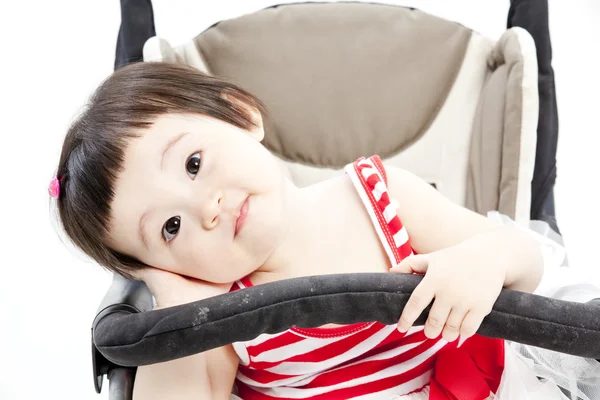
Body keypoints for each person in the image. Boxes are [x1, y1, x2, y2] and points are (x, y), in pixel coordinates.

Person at [51, 62, 555, 399]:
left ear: (240, 114)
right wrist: (179, 308)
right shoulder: (228, 315)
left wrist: (483, 262)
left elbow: (526, 261)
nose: (209, 206)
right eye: (170, 227)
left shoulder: (378, 197)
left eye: (194, 163)